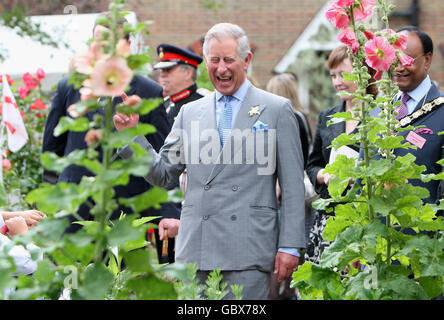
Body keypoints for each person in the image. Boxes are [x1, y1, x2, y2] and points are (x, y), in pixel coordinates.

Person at [114, 22, 306, 300]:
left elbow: (292, 187)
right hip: (196, 252)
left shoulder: (276, 109)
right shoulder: (190, 113)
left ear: (247, 60)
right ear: (205, 62)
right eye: (214, 60)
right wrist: (132, 137)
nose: (221, 68)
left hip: (250, 249)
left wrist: (290, 246)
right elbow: (163, 173)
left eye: (229, 60)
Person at [41, 14, 178, 249]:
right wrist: (55, 200)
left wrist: (169, 212)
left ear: (125, 47)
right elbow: (52, 150)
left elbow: (162, 157)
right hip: (76, 212)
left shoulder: (147, 90)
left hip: (125, 212)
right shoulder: (69, 87)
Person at [305, 45, 377, 264]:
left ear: (364, 73)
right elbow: (312, 164)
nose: (337, 82)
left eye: (344, 74)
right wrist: (324, 175)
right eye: (333, 75)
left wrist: (361, 177)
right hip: (328, 218)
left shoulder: (379, 115)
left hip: (365, 218)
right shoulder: (328, 116)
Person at [265, 73, 314, 300]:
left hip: (283, 187)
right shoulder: (302, 117)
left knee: (281, 242)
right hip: (301, 186)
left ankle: (280, 292)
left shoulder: (283, 119)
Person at [387, 26, 444, 206]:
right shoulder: (377, 111)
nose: (399, 67)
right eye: (394, 58)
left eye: (407, 59)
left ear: (427, 60)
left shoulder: (441, 110)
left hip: (423, 228)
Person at [154, 43, 204, 126]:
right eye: (162, 70)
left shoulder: (202, 103)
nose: (162, 75)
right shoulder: (164, 104)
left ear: (188, 73)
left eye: (168, 70)